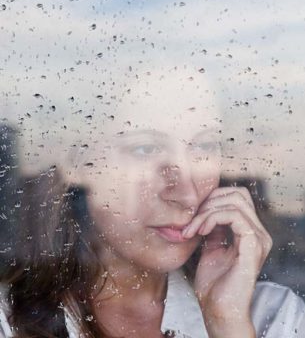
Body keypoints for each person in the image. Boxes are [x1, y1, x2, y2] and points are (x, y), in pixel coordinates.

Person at [0, 67, 304, 338]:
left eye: (204, 146)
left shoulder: (273, 319)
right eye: (145, 149)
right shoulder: (7, 320)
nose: (186, 194)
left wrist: (227, 325)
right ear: (80, 162)